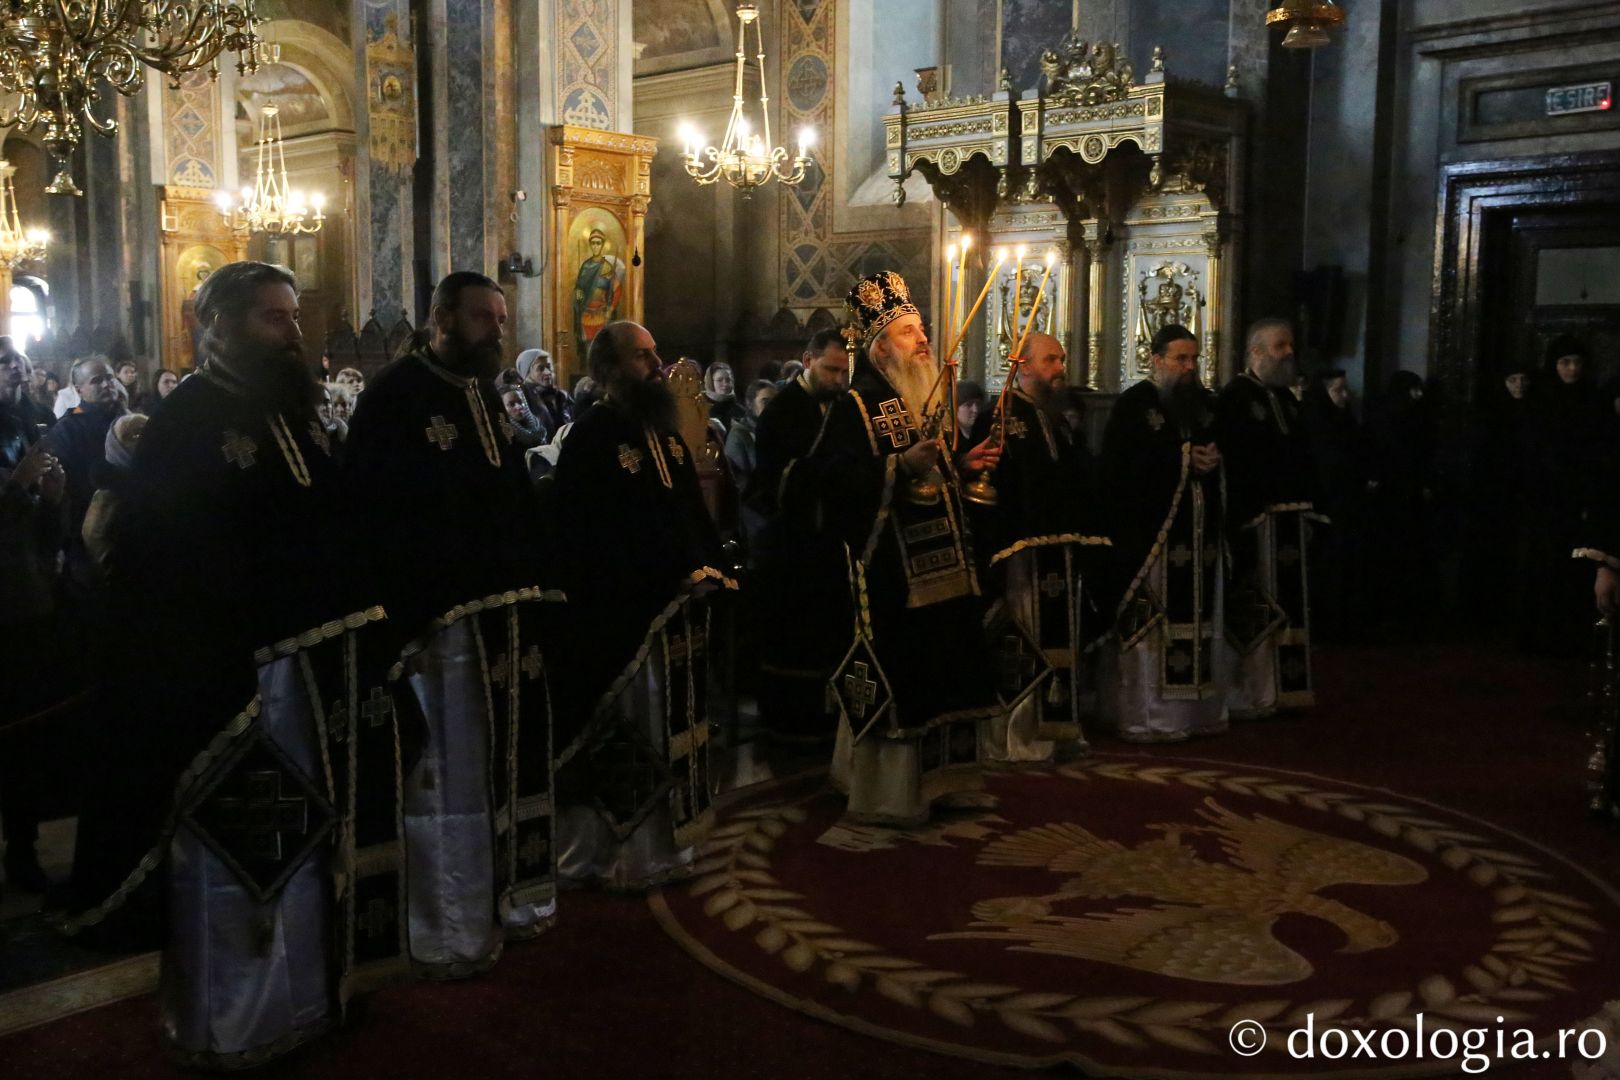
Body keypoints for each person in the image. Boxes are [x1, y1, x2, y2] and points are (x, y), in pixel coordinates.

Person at [63, 261, 399, 1067]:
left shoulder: (302, 415)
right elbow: (160, 559)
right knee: (237, 854)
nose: (291, 331)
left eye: (291, 316)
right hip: (228, 680)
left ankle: (314, 997)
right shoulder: (189, 419)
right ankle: (238, 1021)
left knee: (311, 843)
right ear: (214, 326)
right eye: (270, 318)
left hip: (313, 674)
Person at [344, 271, 558, 975]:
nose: (498, 329)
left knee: (493, 769)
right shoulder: (394, 397)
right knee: (444, 777)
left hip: (496, 625)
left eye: (500, 317)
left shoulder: (480, 394)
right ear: (440, 317)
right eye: (483, 317)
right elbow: (374, 517)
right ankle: (439, 924)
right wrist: (408, 617)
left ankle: (497, 902)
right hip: (433, 630)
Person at [803, 272, 1001, 826]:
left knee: (952, 665)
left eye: (921, 329)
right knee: (907, 670)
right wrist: (895, 467)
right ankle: (890, 791)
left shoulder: (926, 399)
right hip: (893, 571)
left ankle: (949, 781)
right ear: (880, 346)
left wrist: (958, 467)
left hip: (948, 568)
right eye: (910, 331)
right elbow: (830, 485)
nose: (924, 340)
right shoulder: (857, 406)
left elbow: (934, 482)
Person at [548, 320, 728, 888]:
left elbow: (690, 519)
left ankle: (666, 846)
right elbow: (584, 537)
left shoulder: (667, 434)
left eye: (656, 353)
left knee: (667, 732)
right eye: (642, 356)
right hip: (619, 619)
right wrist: (656, 578)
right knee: (624, 734)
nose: (657, 365)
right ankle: (611, 857)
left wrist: (705, 570)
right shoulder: (591, 437)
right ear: (608, 368)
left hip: (671, 611)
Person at [968, 332, 1108, 762]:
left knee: (1059, 643)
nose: (1059, 367)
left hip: (1060, 554)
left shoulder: (1055, 418)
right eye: (1050, 360)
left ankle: (1059, 729)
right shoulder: (999, 415)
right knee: (1025, 641)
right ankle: (1017, 738)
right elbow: (997, 486)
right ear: (1023, 365)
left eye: (1061, 359)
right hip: (1021, 557)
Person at [1098, 324, 1228, 742]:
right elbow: (1122, 470)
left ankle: (1195, 713)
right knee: (1151, 628)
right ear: (1156, 360)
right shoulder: (1135, 405)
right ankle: (1150, 717)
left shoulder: (1203, 405)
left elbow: (1218, 450)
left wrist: (1212, 459)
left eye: (1194, 359)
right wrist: (1184, 459)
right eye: (1180, 359)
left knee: (1200, 620)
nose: (1189, 368)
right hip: (1151, 540)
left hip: (1198, 537)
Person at [747, 329, 852, 742]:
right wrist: (832, 469)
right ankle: (789, 719)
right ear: (807, 362)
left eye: (844, 371)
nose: (838, 379)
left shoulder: (843, 407)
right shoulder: (781, 410)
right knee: (795, 635)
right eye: (831, 369)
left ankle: (830, 720)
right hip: (792, 543)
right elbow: (776, 478)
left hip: (832, 539)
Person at [1215, 318, 1320, 719]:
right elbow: (1235, 465)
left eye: (1290, 345)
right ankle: (1253, 690)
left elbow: (1304, 459)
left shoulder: (1288, 401)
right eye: (1280, 346)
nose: (1289, 352)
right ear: (1256, 352)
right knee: (1259, 604)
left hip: (1290, 523)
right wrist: (1247, 515)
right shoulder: (1236, 398)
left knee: (1291, 605)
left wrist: (1311, 510)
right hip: (1256, 523)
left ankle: (1286, 687)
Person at [0, 440, 67, 895]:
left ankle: (22, 848)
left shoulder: (13, 444)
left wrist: (51, 501)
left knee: (23, 746)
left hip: (23, 617)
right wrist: (18, 489)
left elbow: (37, 542)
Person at [1522, 336, 1608, 655]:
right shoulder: (1541, 401)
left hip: (1579, 498)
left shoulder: (1593, 400)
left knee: (1575, 565)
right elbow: (1533, 451)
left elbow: (1598, 449)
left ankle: (1571, 636)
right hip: (1546, 498)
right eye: (1564, 362)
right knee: (1545, 563)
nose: (1572, 369)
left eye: (1577, 362)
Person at [42, 356, 125, 598]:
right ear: (79, 389)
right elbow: (67, 484)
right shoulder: (69, 426)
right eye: (96, 380)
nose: (107, 384)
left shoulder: (125, 417)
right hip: (86, 532)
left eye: (109, 378)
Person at [1301, 369, 1373, 641]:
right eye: (1338, 390)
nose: (1344, 396)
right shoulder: (1315, 423)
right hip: (1325, 507)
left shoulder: (1346, 422)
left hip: (1348, 505)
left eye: (1346, 390)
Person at [80, 412, 147, 578]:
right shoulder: (107, 496)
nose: (142, 440)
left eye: (147, 432)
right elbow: (95, 542)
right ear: (116, 447)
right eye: (133, 435)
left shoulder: (164, 477)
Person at [724, 378, 776, 549]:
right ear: (750, 403)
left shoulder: (774, 431)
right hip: (751, 510)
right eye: (765, 401)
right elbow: (738, 484)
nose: (771, 407)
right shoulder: (739, 435)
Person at [572, 228, 625, 356]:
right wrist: (578, 292)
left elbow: (616, 290)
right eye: (593, 243)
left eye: (598, 243)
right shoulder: (585, 266)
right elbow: (579, 286)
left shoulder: (607, 267)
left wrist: (610, 309)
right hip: (585, 312)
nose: (595, 246)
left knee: (601, 347)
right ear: (590, 245)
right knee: (588, 347)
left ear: (602, 245)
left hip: (601, 313)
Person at [517, 347, 574, 432]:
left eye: (549, 366)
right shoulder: (522, 398)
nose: (547, 372)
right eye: (540, 368)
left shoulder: (561, 396)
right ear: (527, 374)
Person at [703, 360, 745, 431]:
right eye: (719, 380)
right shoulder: (700, 406)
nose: (725, 384)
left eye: (728, 380)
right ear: (711, 383)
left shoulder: (740, 411)